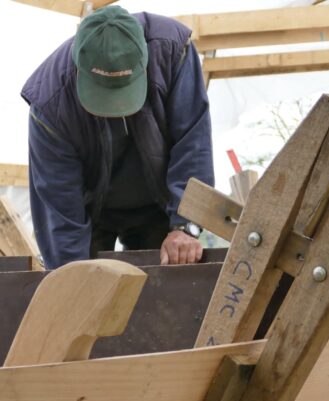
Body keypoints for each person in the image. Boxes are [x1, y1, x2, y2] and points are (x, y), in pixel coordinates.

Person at [21, 5, 213, 269]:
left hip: (158, 202)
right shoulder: (50, 101)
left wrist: (186, 224)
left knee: (171, 289)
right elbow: (59, 203)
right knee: (77, 279)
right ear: (79, 68)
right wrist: (70, 276)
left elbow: (193, 143)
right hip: (89, 212)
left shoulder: (171, 51)